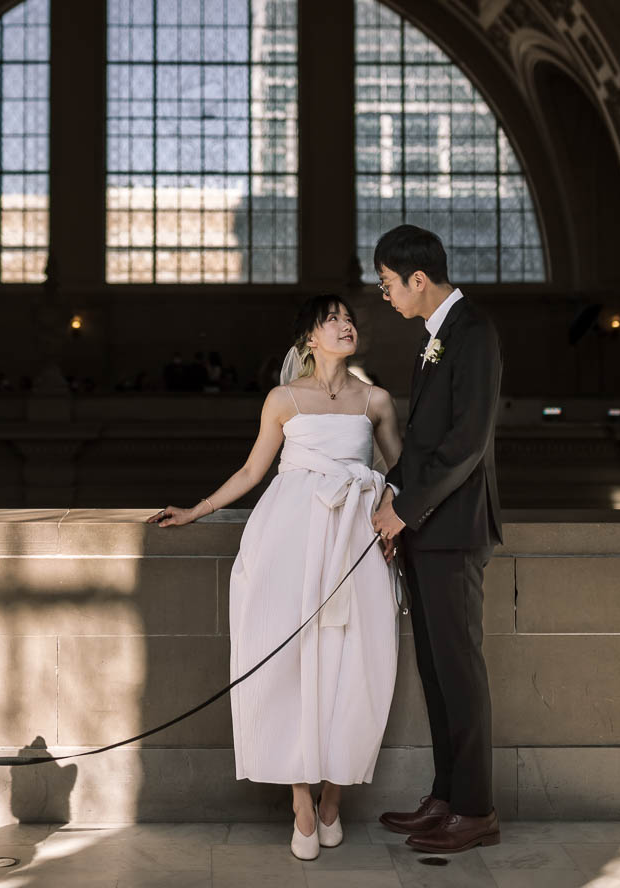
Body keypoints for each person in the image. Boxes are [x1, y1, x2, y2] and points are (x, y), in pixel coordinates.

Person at [149, 295, 402, 861]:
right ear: (309, 338)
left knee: (357, 661)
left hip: (355, 538)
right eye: (333, 319)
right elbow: (251, 470)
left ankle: (334, 797)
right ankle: (302, 804)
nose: (346, 326)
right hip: (289, 537)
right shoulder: (283, 399)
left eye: (349, 319)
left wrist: (389, 502)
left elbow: (401, 471)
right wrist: (197, 509)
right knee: (288, 659)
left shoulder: (376, 400)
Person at [368, 224, 506, 854]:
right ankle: (446, 797)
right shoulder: (435, 337)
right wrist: (393, 496)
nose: (385, 296)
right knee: (434, 670)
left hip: (452, 532)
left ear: (418, 278)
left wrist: (408, 508)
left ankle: (475, 811)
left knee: (459, 671)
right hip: (426, 529)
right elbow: (424, 444)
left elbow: (466, 444)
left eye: (388, 283)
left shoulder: (473, 333)